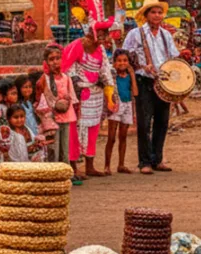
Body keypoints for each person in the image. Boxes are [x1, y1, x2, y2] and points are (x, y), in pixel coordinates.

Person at [123, 0, 179, 174]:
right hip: (144, 81)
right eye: (153, 12)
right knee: (144, 122)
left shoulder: (166, 35)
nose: (157, 15)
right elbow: (126, 57)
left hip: (163, 82)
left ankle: (158, 159)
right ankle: (144, 161)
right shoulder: (135, 34)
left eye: (159, 12)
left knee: (162, 122)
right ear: (146, 15)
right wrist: (141, 66)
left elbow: (173, 57)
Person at [62, 17, 114, 179]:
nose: (105, 37)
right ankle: (73, 167)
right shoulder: (78, 46)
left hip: (96, 94)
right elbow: (67, 67)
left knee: (93, 129)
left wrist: (108, 88)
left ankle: (90, 165)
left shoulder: (101, 50)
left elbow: (105, 68)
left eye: (106, 33)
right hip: (80, 95)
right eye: (102, 33)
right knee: (76, 130)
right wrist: (77, 83)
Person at [37, 46, 77, 167]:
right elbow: (40, 100)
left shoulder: (66, 78)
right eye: (51, 59)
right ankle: (54, 174)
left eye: (58, 58)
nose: (55, 62)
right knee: (54, 148)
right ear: (46, 62)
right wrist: (56, 104)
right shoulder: (44, 79)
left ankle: (65, 173)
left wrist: (65, 103)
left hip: (65, 117)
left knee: (65, 147)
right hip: (51, 119)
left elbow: (72, 98)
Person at [105, 49, 137, 175]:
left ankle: (121, 164)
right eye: (119, 61)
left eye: (125, 61)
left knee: (123, 137)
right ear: (114, 63)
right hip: (116, 105)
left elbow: (135, 92)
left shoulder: (129, 76)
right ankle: (107, 165)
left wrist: (132, 74)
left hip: (127, 105)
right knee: (111, 137)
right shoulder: (112, 76)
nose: (122, 63)